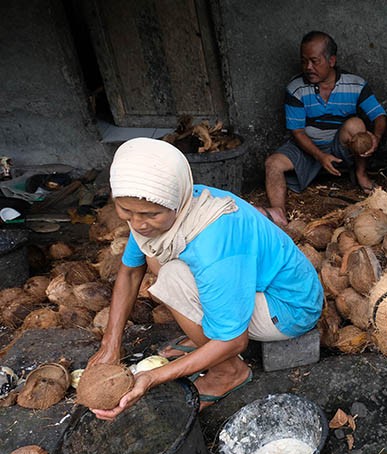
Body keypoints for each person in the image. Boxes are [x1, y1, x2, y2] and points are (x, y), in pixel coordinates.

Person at [88, 137, 323, 420]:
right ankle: (205, 334)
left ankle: (227, 372)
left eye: (150, 215)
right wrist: (110, 344)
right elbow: (129, 270)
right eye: (126, 211)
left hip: (288, 308)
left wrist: (151, 378)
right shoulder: (169, 205)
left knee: (173, 277)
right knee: (155, 257)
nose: (137, 224)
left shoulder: (212, 239)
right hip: (249, 285)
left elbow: (234, 342)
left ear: (178, 201)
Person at [263, 30, 387, 226]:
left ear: (331, 61)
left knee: (356, 125)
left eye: (314, 61)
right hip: (307, 148)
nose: (308, 67)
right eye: (304, 61)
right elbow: (297, 132)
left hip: (341, 148)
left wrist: (377, 138)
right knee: (273, 164)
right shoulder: (295, 89)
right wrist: (320, 156)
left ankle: (361, 175)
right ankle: (278, 213)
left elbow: (379, 116)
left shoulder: (356, 84)